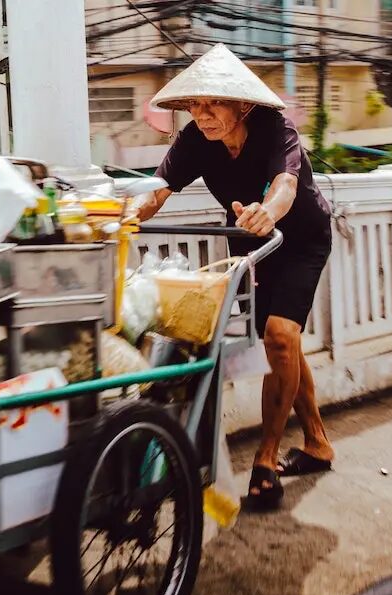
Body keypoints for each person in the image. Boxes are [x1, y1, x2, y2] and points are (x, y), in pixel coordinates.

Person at [138, 43, 335, 511]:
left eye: (212, 104)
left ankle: (265, 461)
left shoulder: (275, 128)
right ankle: (317, 443)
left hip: (300, 239)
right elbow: (157, 192)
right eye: (194, 105)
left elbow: (286, 185)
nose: (201, 115)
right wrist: (119, 216)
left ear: (242, 104)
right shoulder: (193, 142)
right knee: (279, 342)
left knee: (280, 334)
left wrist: (267, 212)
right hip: (251, 245)